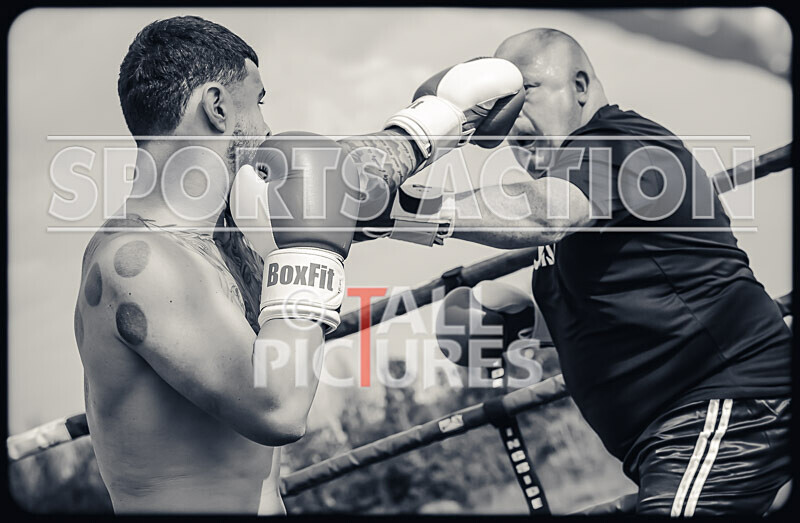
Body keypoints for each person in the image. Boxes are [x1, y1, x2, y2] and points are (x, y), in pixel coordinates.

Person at [74, 15, 523, 514]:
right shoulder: (139, 263)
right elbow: (278, 407)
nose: (267, 126)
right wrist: (312, 246)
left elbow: (333, 171)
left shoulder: (220, 233)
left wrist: (436, 120)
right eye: (259, 100)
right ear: (218, 107)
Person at [435, 28, 791, 515]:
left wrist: (407, 208)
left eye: (525, 93)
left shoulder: (616, 142)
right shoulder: (578, 181)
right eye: (499, 102)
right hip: (684, 430)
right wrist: (521, 324)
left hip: (727, 410)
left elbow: (545, 214)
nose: (510, 115)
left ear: (580, 86)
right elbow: (620, 299)